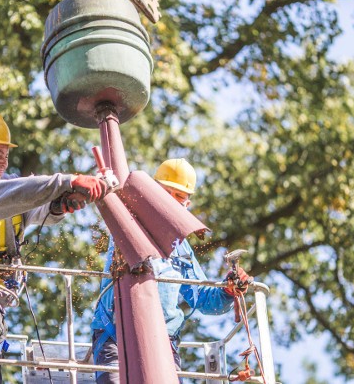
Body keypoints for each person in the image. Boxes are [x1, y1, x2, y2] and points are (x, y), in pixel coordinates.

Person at [0, 111, 109, 384]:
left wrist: (59, 204)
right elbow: (17, 193)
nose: (3, 160)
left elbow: (34, 205)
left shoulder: (6, 191)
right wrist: (67, 181)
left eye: (6, 154)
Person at [90, 158, 251, 384]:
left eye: (179, 197)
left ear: (187, 205)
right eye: (166, 193)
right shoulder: (128, 221)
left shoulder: (181, 250)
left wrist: (228, 290)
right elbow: (115, 199)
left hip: (163, 342)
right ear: (152, 194)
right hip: (115, 336)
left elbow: (202, 299)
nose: (171, 202)